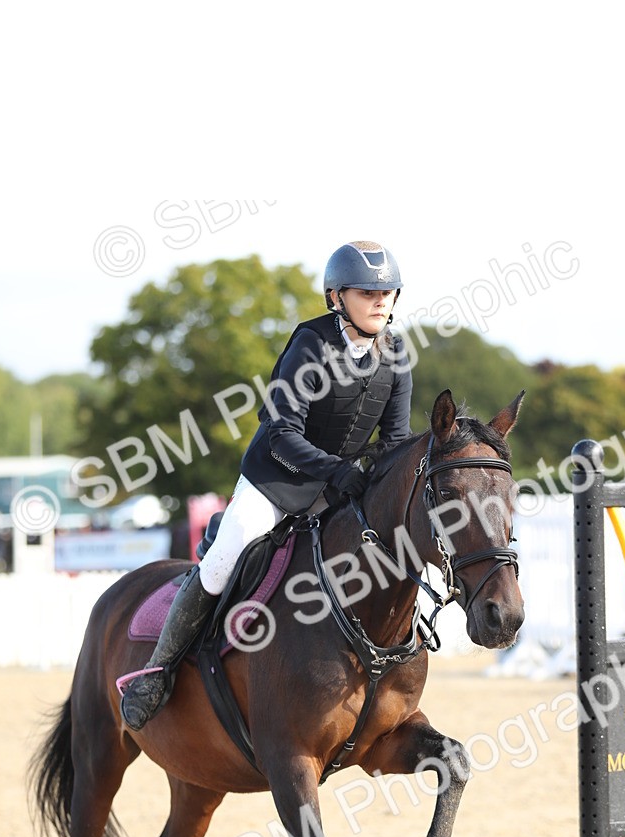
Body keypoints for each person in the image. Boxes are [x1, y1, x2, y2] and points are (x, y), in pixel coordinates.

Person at [120, 240, 413, 730]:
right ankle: (158, 671)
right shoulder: (311, 344)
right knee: (225, 555)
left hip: (336, 493)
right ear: (336, 297)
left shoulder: (397, 354)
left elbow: (397, 439)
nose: (381, 300)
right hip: (275, 481)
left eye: (389, 291)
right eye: (368, 292)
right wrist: (339, 471)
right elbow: (281, 433)